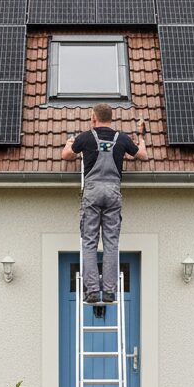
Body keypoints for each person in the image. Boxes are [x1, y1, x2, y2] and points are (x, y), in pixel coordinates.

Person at [61, 103, 148, 304]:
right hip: (113, 191)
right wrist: (142, 139)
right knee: (111, 243)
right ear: (111, 118)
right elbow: (142, 155)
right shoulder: (122, 139)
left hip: (92, 191)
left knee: (89, 241)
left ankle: (92, 291)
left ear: (94, 118)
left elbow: (66, 156)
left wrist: (68, 144)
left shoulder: (86, 137)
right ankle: (109, 291)